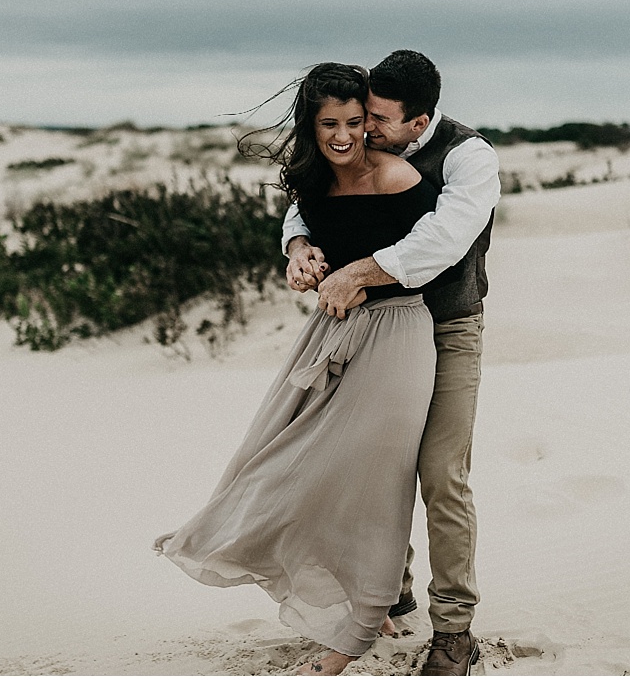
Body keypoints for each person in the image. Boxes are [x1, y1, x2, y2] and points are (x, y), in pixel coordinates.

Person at [154, 62, 437, 675]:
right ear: (312, 125)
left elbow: (432, 254)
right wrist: (302, 256)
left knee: (371, 478)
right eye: (328, 123)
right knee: (279, 462)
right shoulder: (312, 184)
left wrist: (364, 275)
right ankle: (363, 602)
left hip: (397, 336)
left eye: (355, 122)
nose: (342, 135)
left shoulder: (397, 175)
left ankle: (361, 623)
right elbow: (305, 231)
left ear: (371, 121)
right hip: (328, 336)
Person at [285, 50, 497, 676]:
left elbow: (442, 238)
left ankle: (454, 629)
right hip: (372, 332)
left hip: (448, 326)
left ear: (419, 120)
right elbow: (312, 203)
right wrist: (298, 246)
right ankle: (388, 591)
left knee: (441, 474)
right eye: (360, 114)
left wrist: (358, 272)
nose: (363, 130)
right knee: (373, 463)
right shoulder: (365, 150)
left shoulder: (468, 157)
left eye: (377, 119)